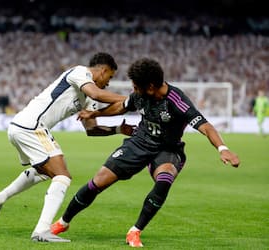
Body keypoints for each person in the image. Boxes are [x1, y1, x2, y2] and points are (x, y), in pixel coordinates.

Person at [51, 58, 240, 247]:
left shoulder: (176, 100)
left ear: (150, 87)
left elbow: (205, 125)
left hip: (167, 149)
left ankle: (135, 231)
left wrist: (223, 149)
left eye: (136, 87)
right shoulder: (140, 95)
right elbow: (121, 106)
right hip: (139, 143)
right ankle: (63, 222)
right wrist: (95, 114)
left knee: (164, 179)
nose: (133, 91)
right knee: (98, 181)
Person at [0, 52, 136, 242]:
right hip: (31, 126)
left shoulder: (89, 98)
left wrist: (118, 129)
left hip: (23, 128)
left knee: (45, 172)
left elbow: (91, 130)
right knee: (62, 176)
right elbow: (97, 93)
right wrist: (132, 98)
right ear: (103, 70)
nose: (108, 83)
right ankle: (41, 231)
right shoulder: (79, 72)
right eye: (110, 77)